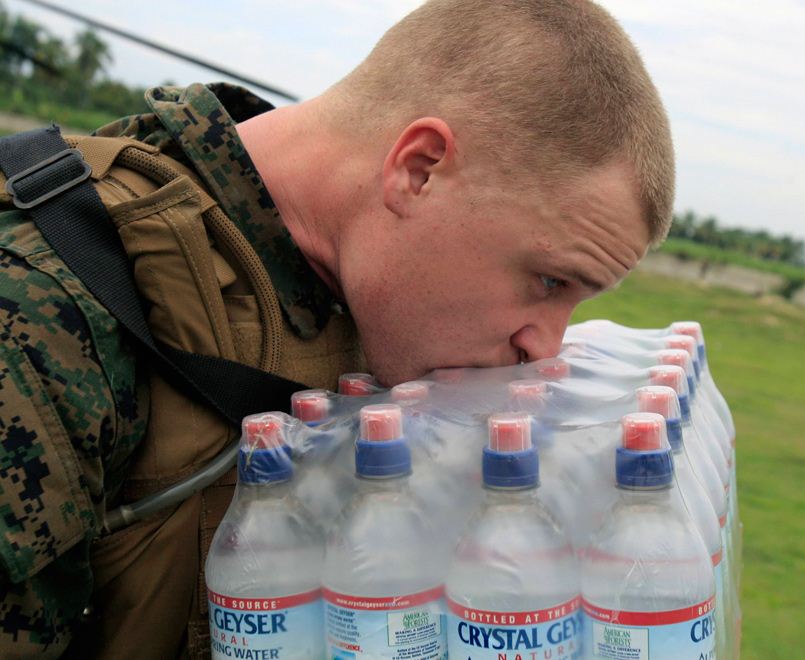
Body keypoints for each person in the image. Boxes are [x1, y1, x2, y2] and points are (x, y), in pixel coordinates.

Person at [0, 0, 674, 656]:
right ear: (419, 169)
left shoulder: (349, 287)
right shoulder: (41, 307)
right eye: (549, 282)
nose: (542, 347)